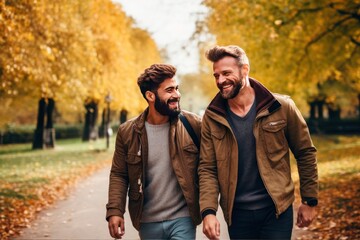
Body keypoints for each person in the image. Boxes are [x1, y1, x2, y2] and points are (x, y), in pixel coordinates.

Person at [198, 45, 318, 240]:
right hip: (237, 215)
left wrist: (309, 200)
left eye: (226, 73)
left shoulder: (281, 107)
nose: (220, 81)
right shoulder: (212, 118)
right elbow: (207, 168)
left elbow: (305, 152)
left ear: (245, 69)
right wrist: (209, 211)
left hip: (277, 210)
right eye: (216, 75)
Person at [106, 63, 202, 240]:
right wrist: (115, 211)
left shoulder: (193, 125)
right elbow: (119, 174)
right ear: (150, 96)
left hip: (183, 218)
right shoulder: (128, 132)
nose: (177, 95)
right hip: (147, 220)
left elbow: (208, 168)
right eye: (170, 90)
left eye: (177, 88)